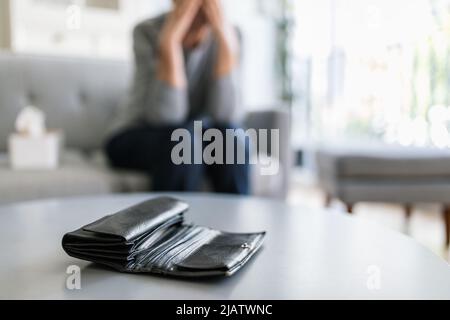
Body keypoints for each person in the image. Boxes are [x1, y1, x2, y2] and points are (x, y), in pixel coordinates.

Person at [105, 0, 250, 194]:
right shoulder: (147, 31)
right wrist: (170, 43)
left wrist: (225, 42)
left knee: (232, 139)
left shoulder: (232, 35)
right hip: (135, 133)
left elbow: (226, 115)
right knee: (183, 141)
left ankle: (235, 224)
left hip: (196, 139)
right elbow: (165, 117)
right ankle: (176, 225)